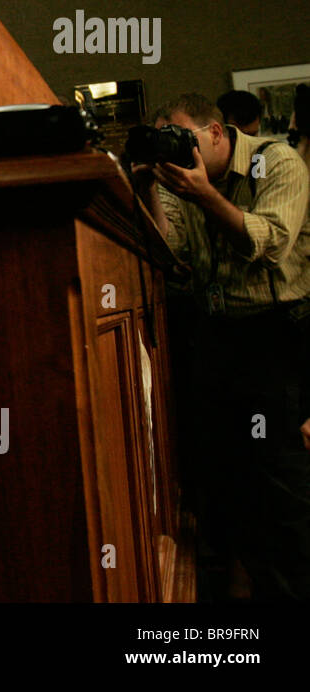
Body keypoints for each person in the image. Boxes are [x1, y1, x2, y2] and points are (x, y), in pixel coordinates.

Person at [132, 92, 310, 600]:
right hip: (217, 340)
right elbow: (171, 255)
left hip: (277, 337)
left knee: (282, 488)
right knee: (228, 487)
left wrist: (204, 194)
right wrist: (147, 188)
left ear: (215, 132)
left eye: (183, 139)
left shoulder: (275, 161)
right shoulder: (179, 177)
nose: (176, 153)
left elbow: (270, 244)